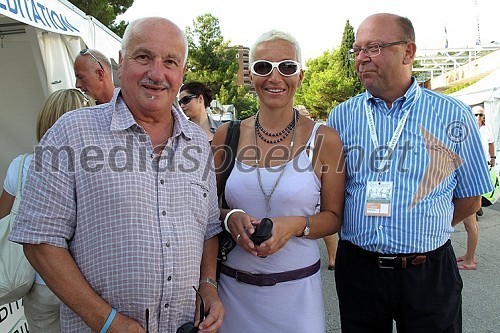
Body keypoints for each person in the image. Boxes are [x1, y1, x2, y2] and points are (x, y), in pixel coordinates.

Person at [9, 17, 223, 333]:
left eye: (170, 62)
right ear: (120, 63)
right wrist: (107, 322)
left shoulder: (198, 143)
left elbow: (208, 227)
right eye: (143, 57)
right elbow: (40, 240)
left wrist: (209, 285)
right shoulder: (71, 133)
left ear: (181, 73)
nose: (156, 73)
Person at [327, 13, 493, 332]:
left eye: (373, 47)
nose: (361, 58)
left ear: (408, 51)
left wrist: (423, 227)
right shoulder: (342, 116)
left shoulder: (451, 114)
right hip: (359, 272)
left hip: (428, 272)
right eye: (357, 49)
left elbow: (472, 197)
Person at [211, 30, 345, 332]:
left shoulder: (325, 139)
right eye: (262, 67)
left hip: (297, 296)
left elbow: (335, 217)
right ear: (250, 76)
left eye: (286, 67)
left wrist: (296, 225)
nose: (275, 77)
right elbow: (203, 207)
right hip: (233, 295)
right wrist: (230, 217)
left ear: (300, 76)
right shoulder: (226, 135)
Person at [0, 88, 93, 332]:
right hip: (89, 285)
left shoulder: (21, 166)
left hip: (40, 279)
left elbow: (3, 218)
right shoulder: (98, 171)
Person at [296, 104, 338, 270]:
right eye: (300, 115)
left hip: (320, 185)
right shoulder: (289, 135)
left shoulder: (319, 133)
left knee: (325, 223)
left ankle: (333, 258)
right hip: (301, 188)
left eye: (306, 114)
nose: (304, 117)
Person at [456, 105, 496, 270]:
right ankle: (469, 256)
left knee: (470, 219)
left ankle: (470, 259)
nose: (478, 117)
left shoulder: (483, 130)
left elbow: (491, 144)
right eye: (475, 114)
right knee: (470, 220)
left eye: (480, 114)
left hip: (474, 174)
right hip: (470, 172)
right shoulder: (467, 128)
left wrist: (493, 159)